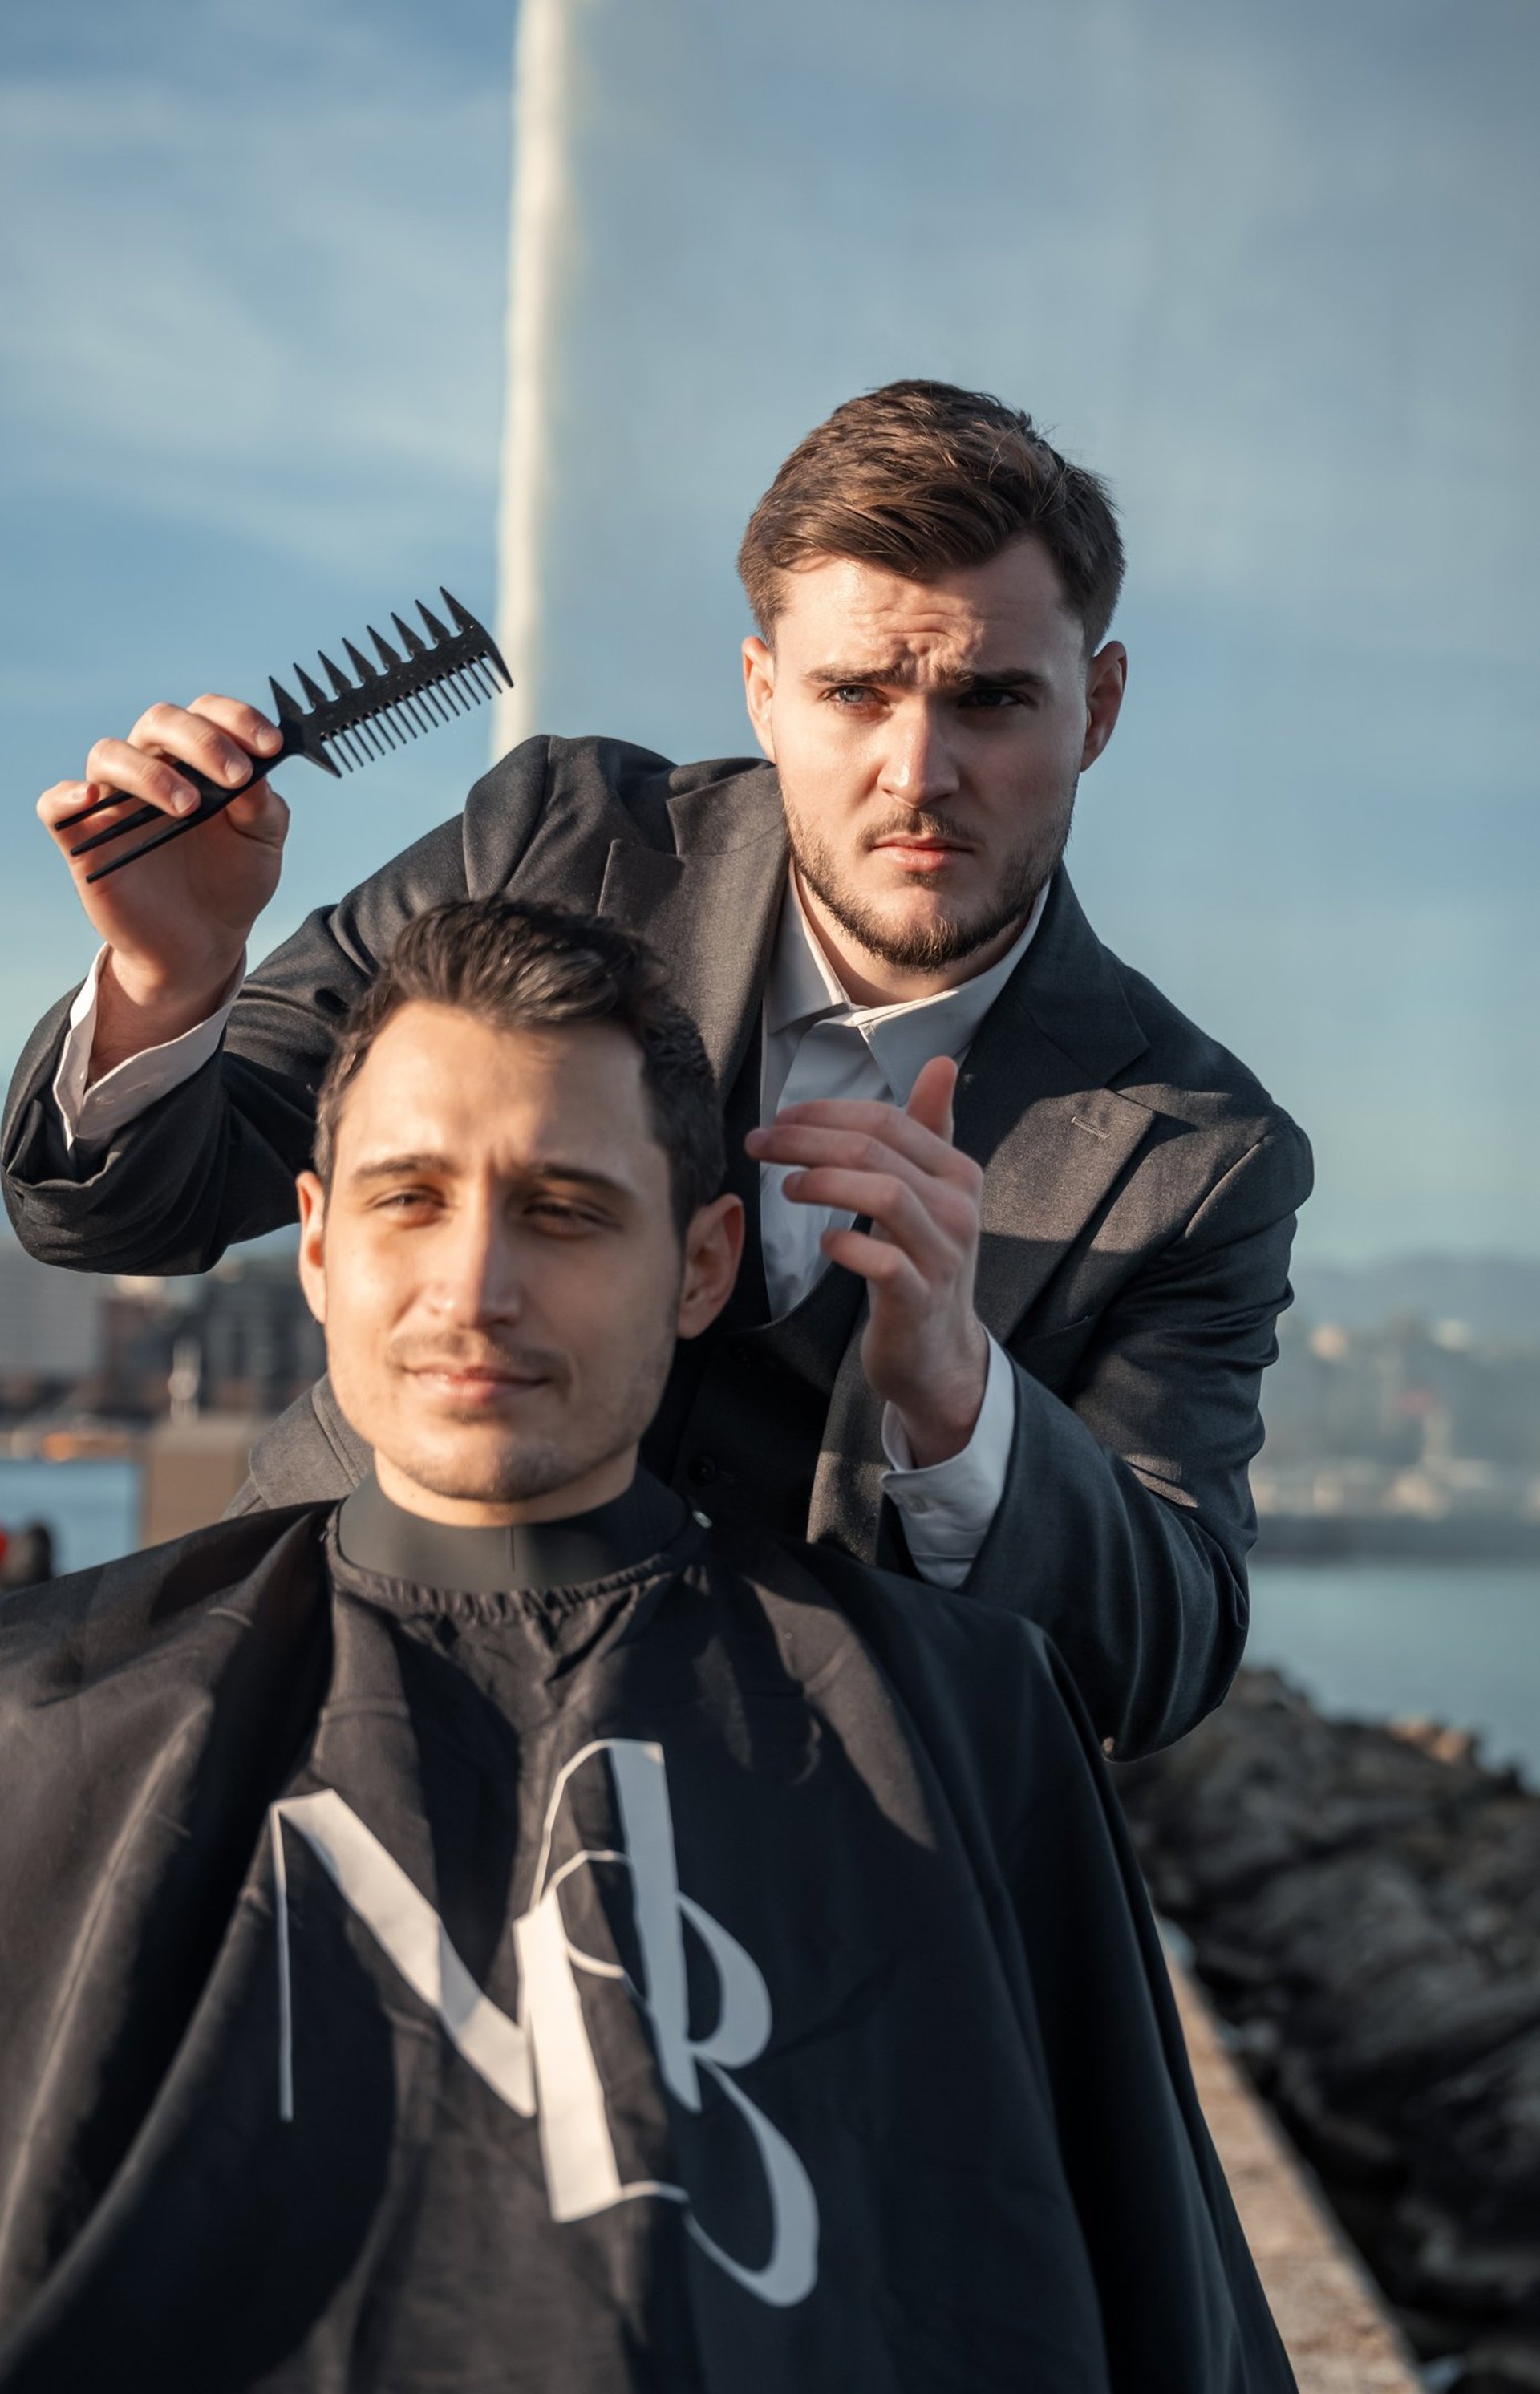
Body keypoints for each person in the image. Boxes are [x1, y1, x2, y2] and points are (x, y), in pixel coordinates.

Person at [0, 900, 1294, 2392]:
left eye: (563, 1210)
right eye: (411, 1198)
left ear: (701, 1263)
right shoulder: (50, 1710)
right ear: (313, 1245)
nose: (475, 1289)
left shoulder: (961, 1725)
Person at [2, 380, 1312, 1755]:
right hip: (327, 1695)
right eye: (853, 693)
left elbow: (1162, 1658)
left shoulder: (1195, 1153)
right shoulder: (558, 837)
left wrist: (959, 1396)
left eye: (990, 699)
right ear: (762, 692)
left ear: (1096, 708)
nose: (918, 772)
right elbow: (122, 1212)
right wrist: (167, 980)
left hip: (798, 1850)